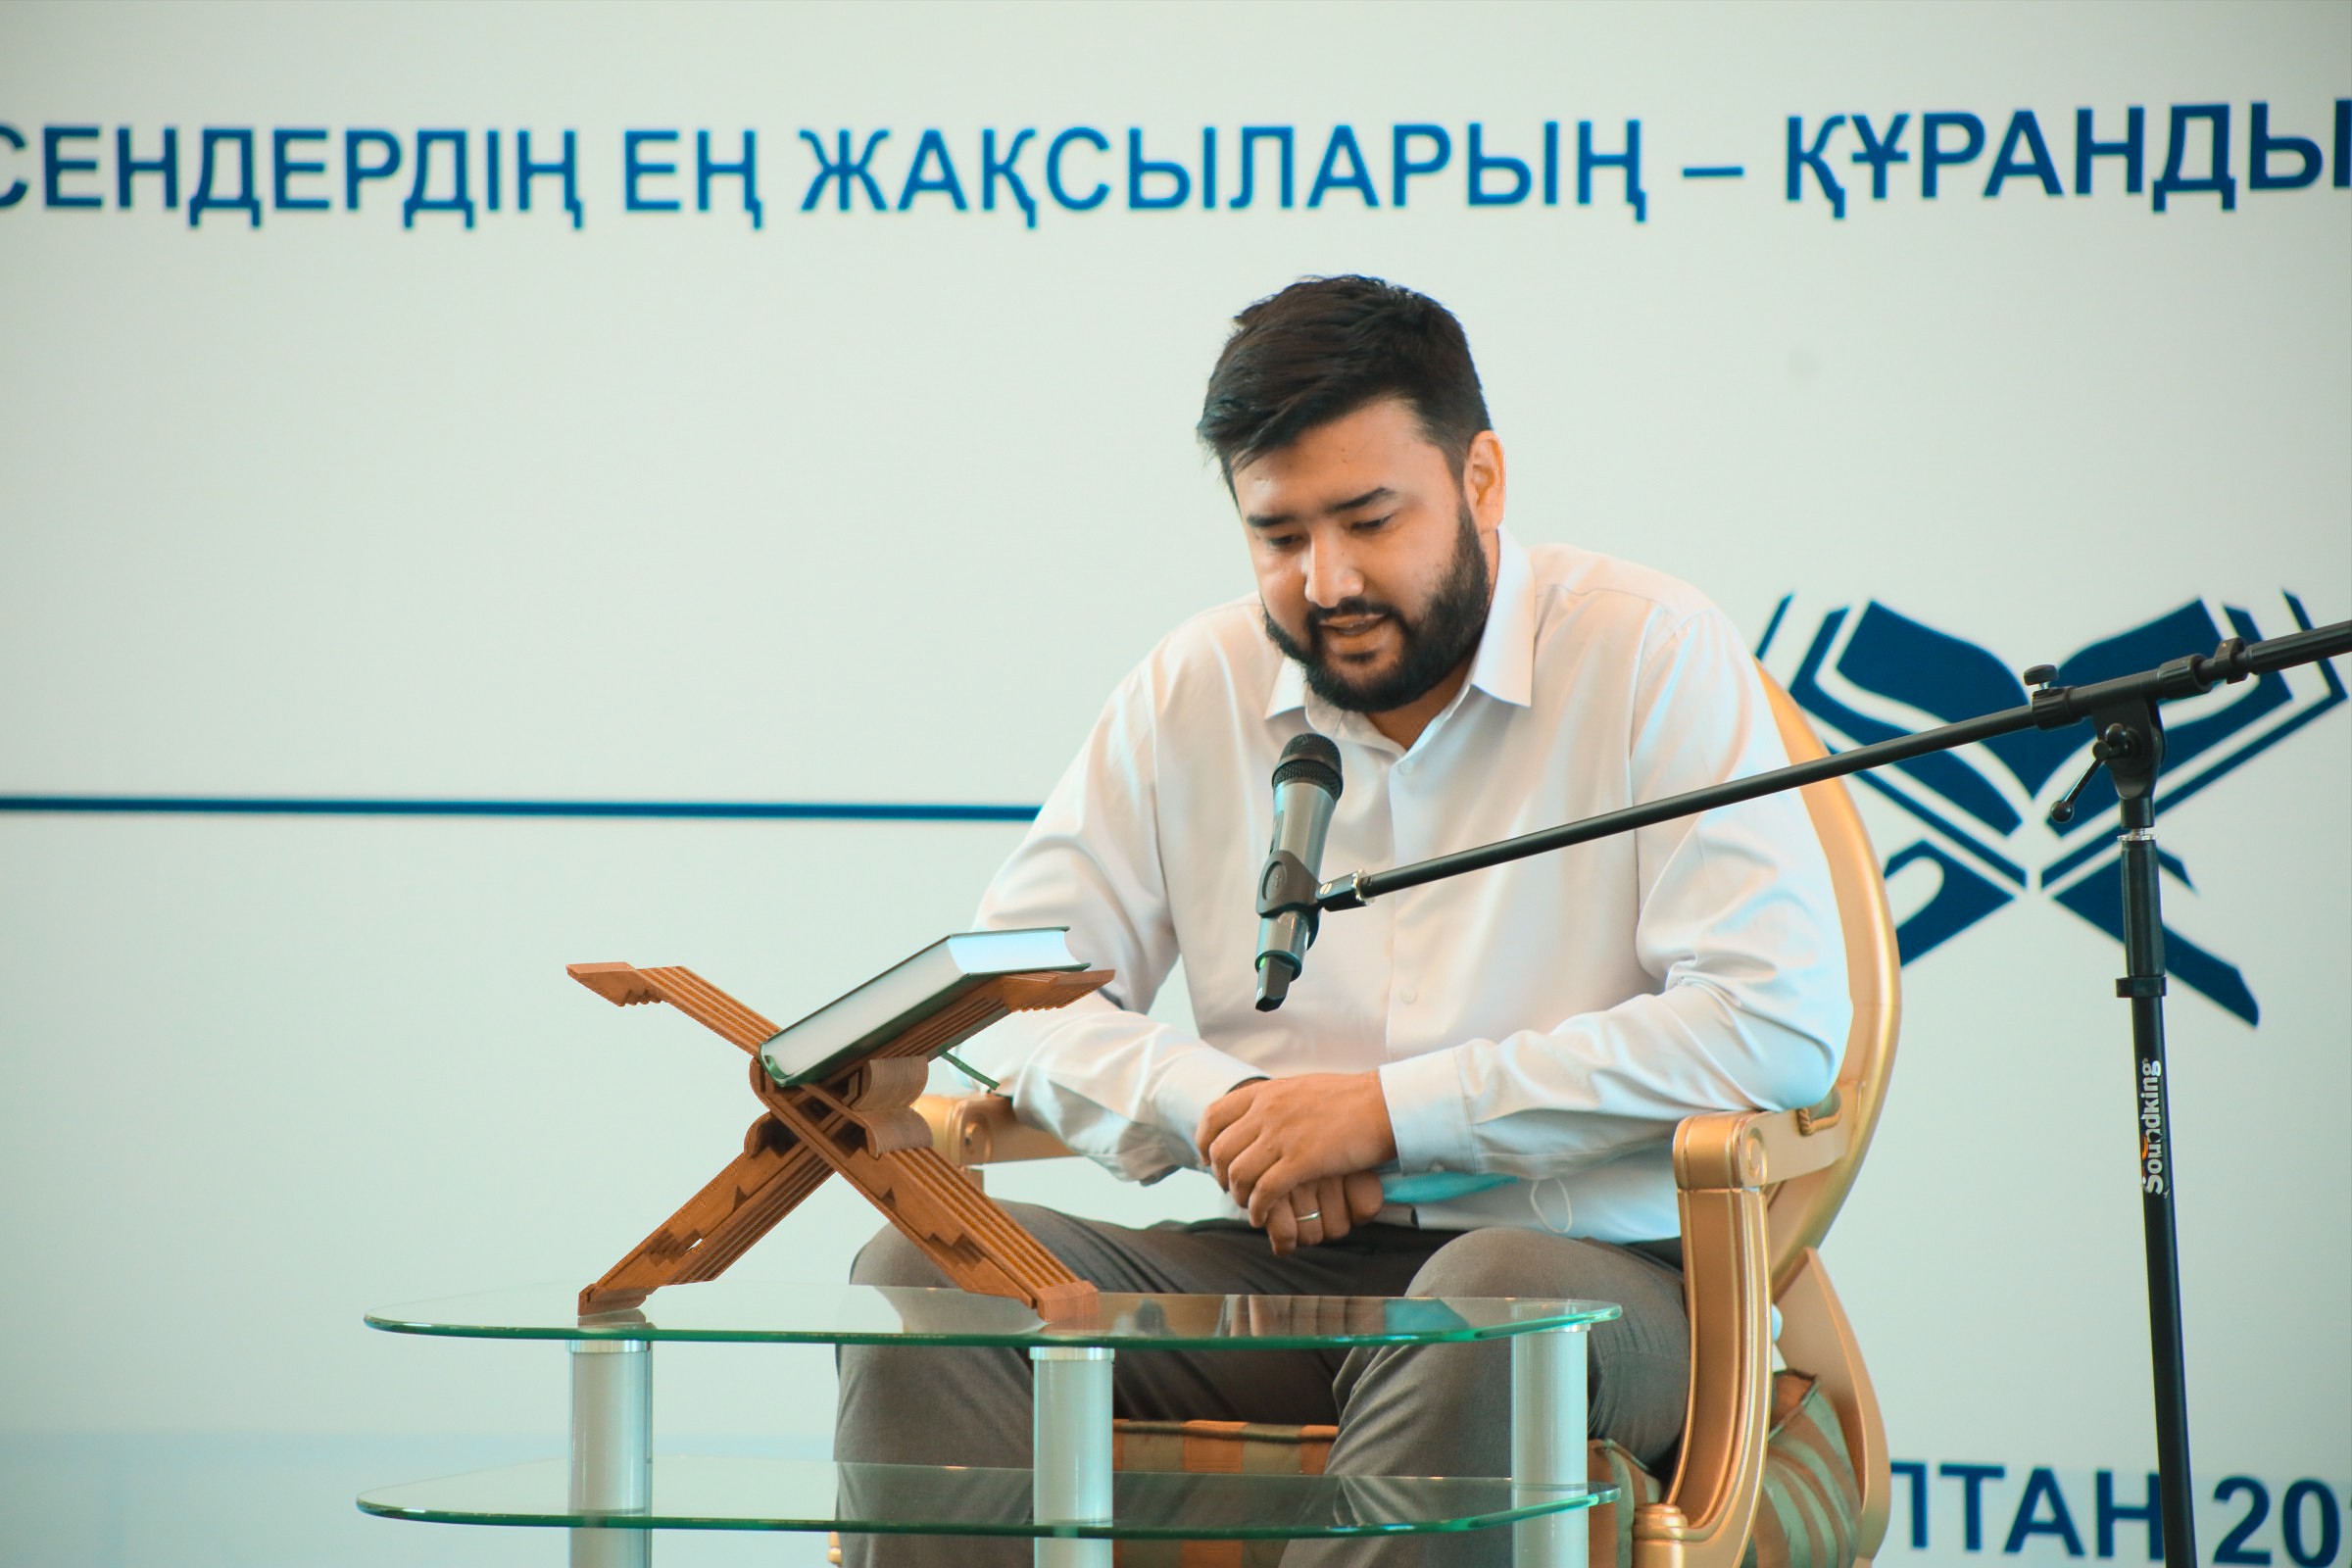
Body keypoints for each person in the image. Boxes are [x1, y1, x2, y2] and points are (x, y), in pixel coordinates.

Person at [834, 275, 1850, 1567]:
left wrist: (1389, 1114)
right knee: (931, 1278)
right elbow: (1012, 1000)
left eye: (1371, 520)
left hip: (1595, 1273)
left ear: (1481, 479)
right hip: (1275, 1268)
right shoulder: (1195, 684)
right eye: (1279, 536)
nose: (1328, 582)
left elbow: (1774, 1024)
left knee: (1481, 1306)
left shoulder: (1650, 650)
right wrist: (1225, 1110)